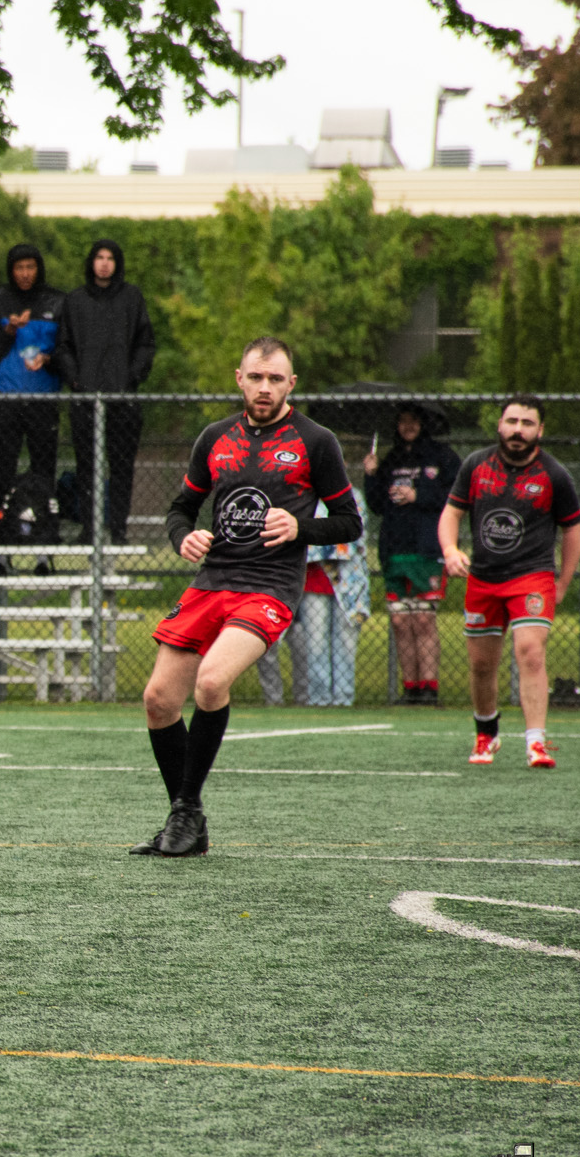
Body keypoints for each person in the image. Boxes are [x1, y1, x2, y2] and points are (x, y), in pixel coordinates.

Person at [136, 337, 358, 857]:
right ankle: (187, 819)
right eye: (256, 378)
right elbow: (180, 509)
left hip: (270, 586)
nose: (264, 388)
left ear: (291, 384)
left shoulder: (316, 440)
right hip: (211, 582)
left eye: (275, 379)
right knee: (158, 699)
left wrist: (301, 525)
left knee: (212, 682)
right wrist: (182, 537)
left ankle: (185, 814)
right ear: (239, 378)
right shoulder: (214, 437)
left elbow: (350, 521)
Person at [440, 395, 580, 769]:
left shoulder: (554, 475)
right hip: (483, 579)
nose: (518, 430)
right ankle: (486, 732)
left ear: (541, 430)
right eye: (512, 421)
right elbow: (451, 514)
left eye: (527, 423)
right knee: (482, 665)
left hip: (531, 578)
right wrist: (451, 550)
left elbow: (572, 531)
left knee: (530, 652)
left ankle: (536, 742)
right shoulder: (475, 465)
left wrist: (563, 581)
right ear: (500, 425)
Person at [363, 405, 460, 704]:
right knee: (400, 622)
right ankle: (410, 689)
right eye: (402, 421)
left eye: (413, 421)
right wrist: (371, 475)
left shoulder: (441, 457)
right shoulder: (391, 459)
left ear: (423, 424)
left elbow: (457, 496)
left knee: (422, 620)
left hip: (426, 548)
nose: (408, 426)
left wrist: (420, 496)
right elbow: (378, 504)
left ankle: (429, 688)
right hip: (395, 549)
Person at [58, 239, 155, 542]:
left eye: (110, 257)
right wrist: (76, 380)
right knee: (87, 467)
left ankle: (118, 530)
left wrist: (130, 378)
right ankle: (89, 530)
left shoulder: (131, 298)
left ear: (117, 263)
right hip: (85, 401)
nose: (104, 263)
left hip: (122, 401)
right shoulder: (75, 301)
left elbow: (145, 344)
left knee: (122, 467)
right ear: (91, 262)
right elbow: (63, 347)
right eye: (99, 257)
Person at [0, 245, 65, 544]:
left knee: (44, 473)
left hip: (44, 402)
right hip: (6, 401)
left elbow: (67, 350)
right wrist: (9, 331)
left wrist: (49, 360)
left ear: (38, 268)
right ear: (11, 270)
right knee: (2, 474)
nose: (25, 274)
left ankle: (46, 542)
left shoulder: (56, 300)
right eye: (19, 268)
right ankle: (0, 545)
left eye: (30, 267)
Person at [284, 492, 369, 706]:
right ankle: (319, 698)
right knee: (316, 643)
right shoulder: (303, 496)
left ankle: (343, 697)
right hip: (314, 581)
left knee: (345, 642)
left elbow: (354, 533)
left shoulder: (352, 496)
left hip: (349, 582)